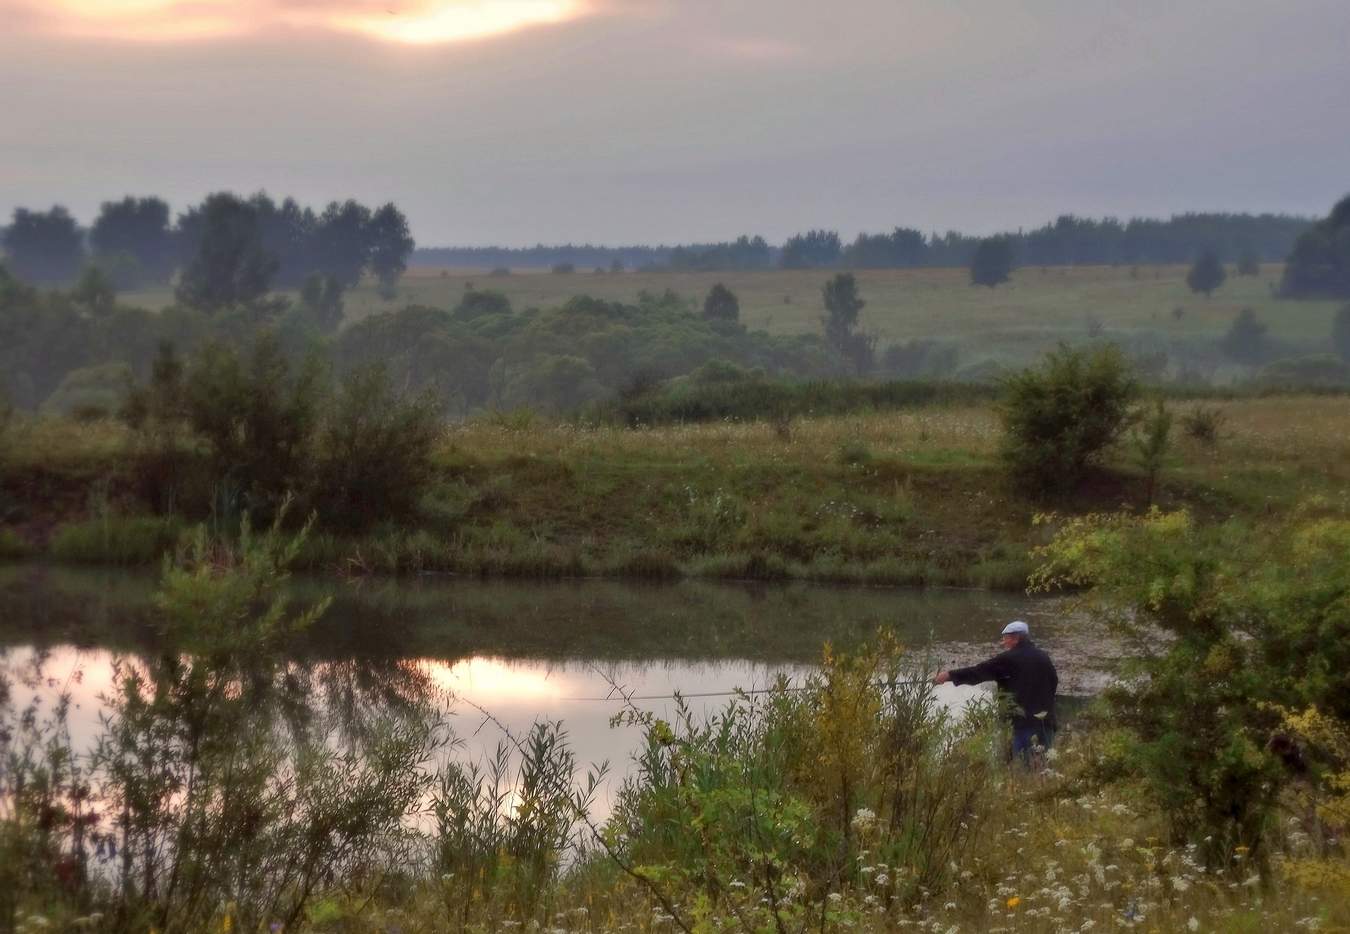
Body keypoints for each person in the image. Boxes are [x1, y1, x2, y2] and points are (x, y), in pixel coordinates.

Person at [934, 620, 1057, 763]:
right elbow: (1054, 682)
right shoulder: (1043, 657)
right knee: (1043, 768)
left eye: (1006, 638)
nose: (1004, 642)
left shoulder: (1009, 659)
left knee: (1023, 770)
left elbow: (978, 672)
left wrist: (949, 675)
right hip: (1046, 724)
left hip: (1022, 725)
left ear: (1015, 638)